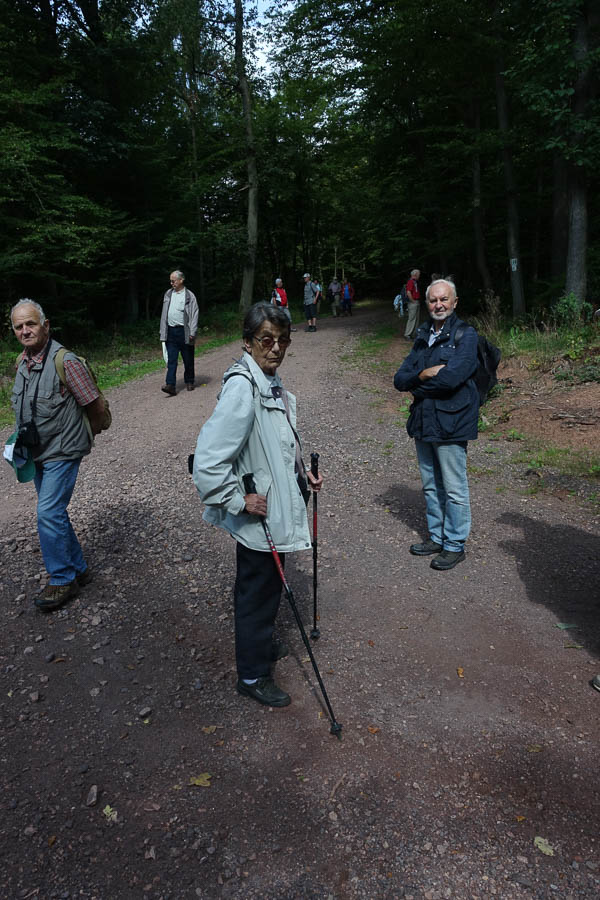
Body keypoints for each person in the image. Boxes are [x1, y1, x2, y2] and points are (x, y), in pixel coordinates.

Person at [193, 303, 323, 707]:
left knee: (267, 588)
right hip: (258, 516)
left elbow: (276, 444)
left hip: (274, 508)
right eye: (267, 339)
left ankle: (260, 647)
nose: (276, 348)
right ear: (248, 342)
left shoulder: (268, 379)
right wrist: (237, 499)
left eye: (283, 340)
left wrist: (303, 475)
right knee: (256, 593)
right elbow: (208, 461)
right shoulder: (242, 387)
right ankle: (250, 676)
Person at [9, 299, 107, 611]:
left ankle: (62, 579)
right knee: (54, 512)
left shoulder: (66, 362)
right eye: (19, 326)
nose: (25, 330)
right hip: (37, 450)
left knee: (47, 513)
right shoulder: (21, 363)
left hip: (63, 451)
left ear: (45, 326)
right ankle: (78, 568)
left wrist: (84, 439)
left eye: (31, 324)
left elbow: (96, 405)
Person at [393, 279, 479, 571]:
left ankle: (455, 545)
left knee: (454, 487)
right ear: (426, 303)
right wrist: (423, 375)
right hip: (424, 420)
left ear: (455, 302)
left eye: (444, 299)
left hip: (453, 421)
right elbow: (399, 378)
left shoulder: (466, 335)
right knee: (431, 485)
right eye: (432, 300)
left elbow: (453, 378)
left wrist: (417, 384)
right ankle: (437, 537)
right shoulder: (423, 335)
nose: (438, 305)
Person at [159, 270, 199, 395]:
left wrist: (193, 331)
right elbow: (164, 314)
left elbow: (194, 315)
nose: (171, 283)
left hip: (184, 331)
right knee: (171, 360)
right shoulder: (168, 294)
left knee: (188, 359)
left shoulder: (189, 296)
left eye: (173, 281)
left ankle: (189, 381)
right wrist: (162, 331)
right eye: (170, 281)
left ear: (181, 280)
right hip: (170, 331)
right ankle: (170, 385)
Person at [404, 268, 421, 340]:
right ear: (415, 275)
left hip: (416, 301)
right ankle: (407, 334)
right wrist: (413, 301)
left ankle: (414, 334)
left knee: (416, 319)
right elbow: (408, 292)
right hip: (413, 302)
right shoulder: (410, 282)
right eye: (419, 274)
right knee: (412, 318)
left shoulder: (415, 282)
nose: (419, 276)